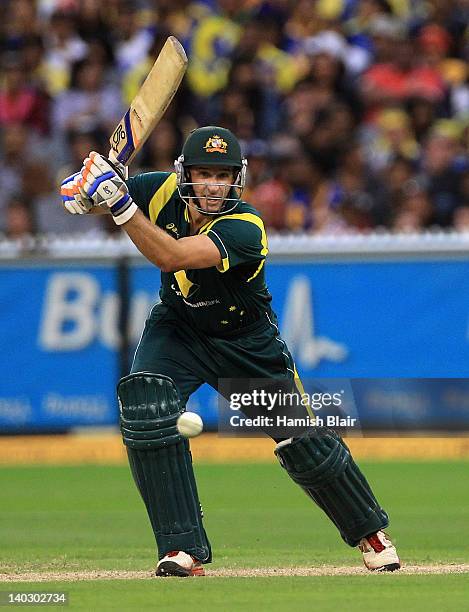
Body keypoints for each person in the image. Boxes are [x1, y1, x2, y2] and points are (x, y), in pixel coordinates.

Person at [60, 126, 401, 576]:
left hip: (245, 342)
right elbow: (87, 198)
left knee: (304, 444)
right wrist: (83, 190)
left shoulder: (245, 226)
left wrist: (118, 203)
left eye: (223, 175)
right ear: (185, 174)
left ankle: (369, 531)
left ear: (237, 178)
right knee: (146, 405)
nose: (214, 185)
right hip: (179, 328)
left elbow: (172, 256)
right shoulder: (159, 191)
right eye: (204, 174)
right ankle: (181, 549)